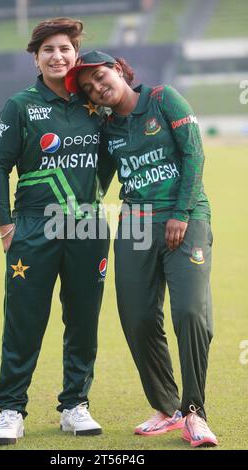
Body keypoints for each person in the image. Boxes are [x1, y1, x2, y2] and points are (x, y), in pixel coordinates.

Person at [65, 50, 218, 448]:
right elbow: (96, 182)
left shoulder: (164, 98)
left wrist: (181, 214)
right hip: (135, 224)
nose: (98, 89)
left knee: (190, 313)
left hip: (185, 217)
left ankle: (195, 413)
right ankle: (167, 409)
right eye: (89, 89)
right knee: (136, 318)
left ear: (118, 70)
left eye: (100, 77)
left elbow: (194, 154)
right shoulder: (106, 128)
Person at [0, 22, 110, 445]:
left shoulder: (96, 103)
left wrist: (94, 198)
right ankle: (10, 409)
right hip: (33, 226)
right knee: (24, 320)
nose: (58, 56)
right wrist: (5, 225)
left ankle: (74, 405)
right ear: (35, 58)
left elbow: (111, 157)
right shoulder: (20, 105)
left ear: (76, 55)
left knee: (82, 320)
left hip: (89, 226)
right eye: (49, 50)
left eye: (66, 49)